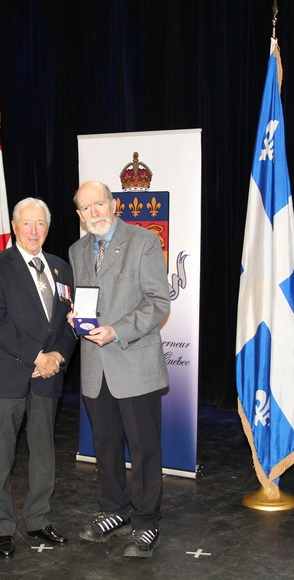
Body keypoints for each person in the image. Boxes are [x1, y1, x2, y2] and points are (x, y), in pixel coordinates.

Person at [68, 181, 170, 558]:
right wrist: (74, 318)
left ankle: (146, 522)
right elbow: (84, 300)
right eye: (86, 208)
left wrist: (117, 331)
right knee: (106, 446)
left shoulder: (143, 241)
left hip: (134, 361)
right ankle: (114, 509)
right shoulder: (77, 250)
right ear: (79, 215)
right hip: (95, 367)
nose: (94, 212)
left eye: (100, 204)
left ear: (114, 204)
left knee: (144, 448)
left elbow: (158, 302)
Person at [0, 197, 77, 558]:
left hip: (48, 376)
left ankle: (38, 519)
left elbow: (70, 323)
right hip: (9, 376)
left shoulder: (61, 268)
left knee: (44, 453)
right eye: (27, 224)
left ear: (48, 229)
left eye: (41, 224)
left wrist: (58, 357)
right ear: (15, 227)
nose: (34, 231)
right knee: (2, 456)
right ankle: (3, 527)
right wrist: (36, 356)